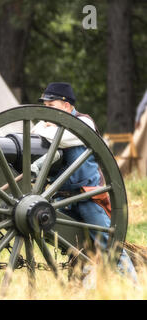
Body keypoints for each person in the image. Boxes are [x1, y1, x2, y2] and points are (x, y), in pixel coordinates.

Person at [31, 82, 138, 285]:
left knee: (108, 244)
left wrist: (45, 127)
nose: (46, 111)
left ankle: (136, 288)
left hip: (87, 196)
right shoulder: (53, 124)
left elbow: (58, 139)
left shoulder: (83, 123)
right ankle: (86, 286)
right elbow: (36, 130)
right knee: (76, 246)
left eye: (50, 105)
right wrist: (45, 126)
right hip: (61, 199)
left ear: (66, 105)